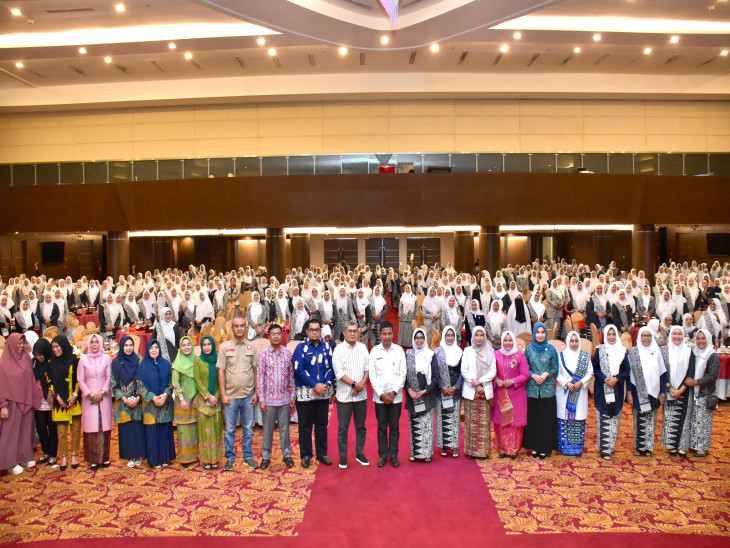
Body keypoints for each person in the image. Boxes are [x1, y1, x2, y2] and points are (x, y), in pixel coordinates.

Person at [218, 315, 260, 471]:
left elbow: (256, 371)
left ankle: (247, 457)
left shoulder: (252, 347)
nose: (240, 328)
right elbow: (221, 372)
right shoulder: (225, 347)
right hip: (230, 397)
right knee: (229, 430)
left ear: (246, 328)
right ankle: (230, 458)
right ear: (232, 328)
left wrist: (256, 393)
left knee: (248, 429)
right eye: (236, 326)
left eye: (242, 325)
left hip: (248, 395)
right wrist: (223, 394)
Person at [293, 318, 334, 468]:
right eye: (312, 330)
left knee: (322, 425)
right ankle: (306, 455)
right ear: (307, 331)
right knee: (305, 426)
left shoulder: (326, 347)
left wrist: (325, 384)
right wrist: (314, 385)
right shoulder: (301, 348)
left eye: (317, 330)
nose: (315, 332)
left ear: (321, 331)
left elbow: (332, 368)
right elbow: (298, 369)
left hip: (323, 393)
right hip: (305, 395)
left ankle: (322, 453)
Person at [255, 324, 295, 470]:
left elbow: (291, 376)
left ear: (282, 335)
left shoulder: (287, 354)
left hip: (284, 399)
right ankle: (266, 457)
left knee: (285, 430)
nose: (276, 336)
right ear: (269, 336)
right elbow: (260, 378)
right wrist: (262, 399)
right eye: (273, 334)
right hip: (269, 401)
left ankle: (287, 455)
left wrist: (292, 394)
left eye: (278, 333)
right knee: (267, 430)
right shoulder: (263, 355)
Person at [332, 320, 370, 468]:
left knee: (361, 426)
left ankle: (360, 453)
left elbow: (368, 368)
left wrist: (361, 385)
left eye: (355, 331)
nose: (353, 334)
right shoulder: (338, 350)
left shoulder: (363, 348)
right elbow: (339, 373)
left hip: (361, 395)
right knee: (343, 428)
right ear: (344, 333)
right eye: (350, 331)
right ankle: (343, 456)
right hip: (344, 396)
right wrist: (355, 384)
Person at [0, 333, 40, 475]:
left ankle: (25, 456)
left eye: (23, 343)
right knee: (10, 434)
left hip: (26, 400)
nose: (21, 346)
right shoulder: (4, 364)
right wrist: (3, 406)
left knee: (26, 431)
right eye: (19, 343)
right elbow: (1, 387)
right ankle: (9, 463)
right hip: (11, 403)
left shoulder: (26, 358)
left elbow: (31, 379)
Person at [369, 321, 407, 467]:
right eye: (384, 334)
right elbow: (372, 375)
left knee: (395, 427)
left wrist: (394, 392)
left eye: (389, 333)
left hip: (396, 397)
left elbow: (403, 373)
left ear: (393, 334)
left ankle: (394, 455)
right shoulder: (374, 352)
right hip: (380, 398)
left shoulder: (399, 350)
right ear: (380, 335)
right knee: (382, 427)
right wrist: (381, 394)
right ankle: (383, 456)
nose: (387, 336)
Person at [627, 327, 668, 456]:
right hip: (637, 390)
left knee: (651, 419)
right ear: (639, 337)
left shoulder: (656, 352)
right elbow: (628, 374)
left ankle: (648, 447)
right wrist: (629, 392)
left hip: (653, 392)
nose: (646, 338)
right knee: (638, 418)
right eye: (644, 336)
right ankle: (639, 447)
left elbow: (662, 374)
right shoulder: (633, 352)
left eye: (648, 336)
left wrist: (662, 393)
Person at [592, 324, 630, 460]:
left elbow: (626, 370)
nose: (611, 337)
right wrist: (604, 379)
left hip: (617, 388)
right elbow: (595, 368)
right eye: (609, 334)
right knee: (603, 415)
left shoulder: (622, 351)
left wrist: (617, 379)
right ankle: (604, 449)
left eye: (614, 334)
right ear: (605, 336)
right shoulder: (600, 350)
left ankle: (611, 447)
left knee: (615, 417)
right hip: (602, 388)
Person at [137, 339, 176, 469]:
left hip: (165, 404)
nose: (154, 350)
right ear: (147, 350)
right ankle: (154, 459)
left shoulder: (166, 364)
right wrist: (153, 397)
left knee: (164, 431)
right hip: (150, 406)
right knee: (152, 432)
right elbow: (140, 385)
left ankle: (166, 457)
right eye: (151, 348)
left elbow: (172, 382)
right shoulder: (142, 367)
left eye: (156, 347)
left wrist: (165, 395)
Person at [523, 322, 559, 459]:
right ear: (534, 334)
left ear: (546, 334)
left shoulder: (551, 349)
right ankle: (534, 446)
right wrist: (533, 375)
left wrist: (545, 374)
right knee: (533, 418)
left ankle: (544, 447)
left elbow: (555, 367)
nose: (540, 335)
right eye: (537, 332)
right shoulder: (529, 349)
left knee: (545, 419)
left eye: (542, 332)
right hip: (532, 388)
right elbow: (524, 367)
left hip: (547, 389)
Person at [492, 331, 529, 460]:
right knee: (501, 421)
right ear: (502, 341)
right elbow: (491, 372)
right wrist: (496, 379)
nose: (508, 343)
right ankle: (502, 448)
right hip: (500, 393)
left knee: (514, 422)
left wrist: (513, 381)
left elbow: (525, 374)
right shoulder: (496, 355)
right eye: (505, 340)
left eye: (510, 340)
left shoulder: (519, 356)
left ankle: (513, 449)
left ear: (514, 341)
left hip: (516, 393)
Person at [404, 327, 439, 463]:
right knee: (415, 423)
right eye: (417, 338)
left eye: (422, 338)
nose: (419, 340)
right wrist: (410, 391)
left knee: (426, 424)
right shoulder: (409, 355)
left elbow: (435, 376)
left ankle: (426, 453)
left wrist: (425, 390)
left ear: (425, 339)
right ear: (413, 339)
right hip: (413, 395)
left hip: (427, 395)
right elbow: (404, 376)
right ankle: (415, 452)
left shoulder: (431, 354)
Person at [77, 333, 113, 469]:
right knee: (92, 427)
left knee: (104, 426)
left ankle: (104, 458)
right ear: (88, 344)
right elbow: (80, 379)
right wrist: (91, 394)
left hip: (104, 396)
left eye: (96, 342)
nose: (94, 345)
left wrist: (103, 392)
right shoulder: (83, 359)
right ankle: (93, 459)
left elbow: (109, 377)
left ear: (100, 343)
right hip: (89, 397)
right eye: (91, 342)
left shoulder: (107, 358)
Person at [460, 325, 496, 460]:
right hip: (471, 391)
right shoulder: (468, 351)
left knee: (483, 423)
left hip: (484, 391)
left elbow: (493, 371)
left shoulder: (490, 352)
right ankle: (471, 451)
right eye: (477, 335)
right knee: (471, 422)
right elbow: (464, 370)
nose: (479, 338)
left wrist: (480, 382)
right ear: (473, 337)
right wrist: (474, 383)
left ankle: (482, 452)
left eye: (481, 335)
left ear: (485, 337)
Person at [555, 331, 593, 456]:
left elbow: (590, 372)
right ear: (567, 342)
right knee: (564, 418)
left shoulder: (584, 357)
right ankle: (564, 447)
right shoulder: (561, 356)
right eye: (571, 341)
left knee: (578, 418)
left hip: (579, 392)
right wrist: (567, 383)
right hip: (564, 392)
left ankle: (577, 448)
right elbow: (557, 373)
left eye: (576, 341)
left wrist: (580, 383)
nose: (574, 343)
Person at [48, 335, 82, 471]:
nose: (55, 350)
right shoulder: (51, 362)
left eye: (57, 346)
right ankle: (63, 456)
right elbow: (49, 381)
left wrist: (75, 395)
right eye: (53, 347)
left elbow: (79, 379)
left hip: (74, 400)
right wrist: (57, 398)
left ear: (63, 345)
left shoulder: (75, 360)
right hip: (59, 402)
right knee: (61, 432)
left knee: (76, 430)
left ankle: (74, 454)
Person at [660, 325, 695, 458]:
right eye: (674, 334)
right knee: (670, 418)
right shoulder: (664, 351)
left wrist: (681, 390)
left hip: (684, 390)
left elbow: (691, 371)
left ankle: (682, 446)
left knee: (684, 419)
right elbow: (663, 372)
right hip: (670, 390)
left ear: (683, 335)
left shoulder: (689, 351)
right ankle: (672, 445)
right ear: (670, 335)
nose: (677, 336)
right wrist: (671, 389)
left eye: (679, 334)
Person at [685, 329, 721, 458]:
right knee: (695, 420)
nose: (700, 341)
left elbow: (712, 376)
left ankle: (702, 448)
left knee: (704, 422)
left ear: (708, 339)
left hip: (705, 393)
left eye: (703, 338)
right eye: (698, 338)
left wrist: (695, 382)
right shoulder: (694, 352)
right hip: (694, 392)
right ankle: (694, 445)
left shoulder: (712, 355)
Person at [111, 335, 145, 468]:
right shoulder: (116, 362)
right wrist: (125, 399)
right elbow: (113, 385)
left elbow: (143, 380)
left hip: (137, 401)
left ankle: (138, 454)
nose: (129, 348)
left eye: (131, 345)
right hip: (123, 403)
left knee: (137, 429)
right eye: (126, 345)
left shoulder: (139, 360)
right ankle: (129, 456)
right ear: (122, 346)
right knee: (126, 430)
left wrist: (138, 397)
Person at [193, 334, 224, 470]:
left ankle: (215, 458)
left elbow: (221, 380)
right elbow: (198, 381)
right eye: (204, 345)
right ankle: (206, 459)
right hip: (203, 403)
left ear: (213, 345)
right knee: (205, 432)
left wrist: (215, 396)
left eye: (209, 344)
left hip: (216, 402)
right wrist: (208, 396)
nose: (206, 347)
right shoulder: (198, 361)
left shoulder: (218, 361)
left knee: (216, 431)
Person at [172, 336, 199, 468]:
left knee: (194, 428)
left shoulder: (196, 361)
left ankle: (193, 456)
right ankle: (184, 458)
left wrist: (197, 396)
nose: (187, 347)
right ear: (180, 348)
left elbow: (200, 380)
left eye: (189, 345)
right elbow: (176, 384)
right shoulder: (177, 364)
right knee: (184, 430)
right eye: (184, 345)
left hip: (194, 400)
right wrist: (182, 400)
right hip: (182, 401)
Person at [436, 326, 463, 458]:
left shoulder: (459, 352)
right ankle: (444, 446)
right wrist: (442, 386)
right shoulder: (438, 352)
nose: (450, 338)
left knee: (454, 418)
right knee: (443, 418)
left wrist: (456, 386)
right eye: (447, 335)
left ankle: (454, 446)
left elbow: (462, 372)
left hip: (455, 391)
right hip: (442, 391)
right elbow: (435, 373)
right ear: (444, 337)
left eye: (452, 335)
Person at [32, 337, 58, 466]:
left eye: (40, 354)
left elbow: (57, 380)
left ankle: (53, 454)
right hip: (38, 402)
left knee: (52, 428)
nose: (39, 357)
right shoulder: (33, 364)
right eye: (36, 355)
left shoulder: (53, 363)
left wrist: (52, 392)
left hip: (51, 401)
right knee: (41, 428)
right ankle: (46, 452)